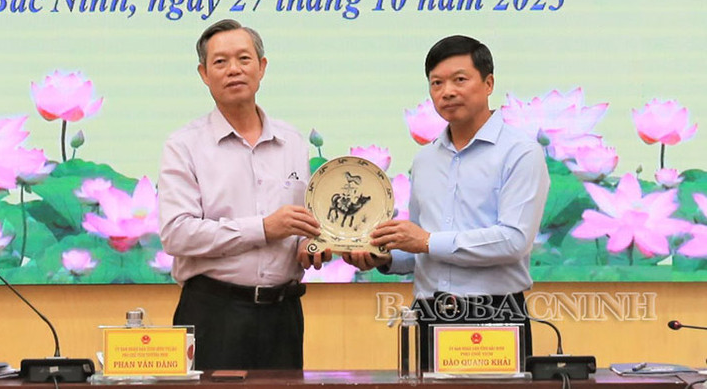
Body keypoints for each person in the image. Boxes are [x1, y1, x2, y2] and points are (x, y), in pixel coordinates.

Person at [344, 35, 550, 370]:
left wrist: (424, 241)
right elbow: (423, 248)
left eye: (459, 79)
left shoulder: (520, 153)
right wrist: (384, 257)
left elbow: (513, 241)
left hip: (495, 312)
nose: (447, 91)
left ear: (488, 83)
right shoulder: (425, 160)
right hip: (430, 311)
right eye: (436, 83)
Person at [158, 19, 330, 370]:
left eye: (244, 59)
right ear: (204, 74)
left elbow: (300, 223)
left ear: (262, 67)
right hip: (213, 313)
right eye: (220, 62)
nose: (234, 69)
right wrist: (264, 228)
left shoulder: (292, 141)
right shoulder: (184, 145)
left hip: (284, 315)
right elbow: (177, 234)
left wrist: (310, 245)